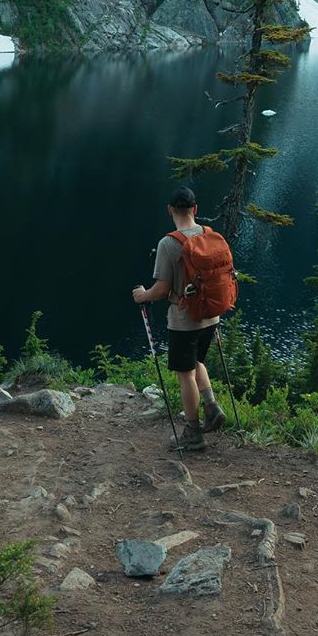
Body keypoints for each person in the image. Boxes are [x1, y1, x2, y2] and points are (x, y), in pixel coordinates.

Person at [132, 185, 227, 451]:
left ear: (170, 210)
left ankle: (193, 432)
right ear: (195, 209)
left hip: (184, 320)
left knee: (185, 374)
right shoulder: (211, 235)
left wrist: (142, 295)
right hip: (211, 315)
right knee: (196, 362)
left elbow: (161, 290)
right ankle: (211, 407)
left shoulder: (169, 243)